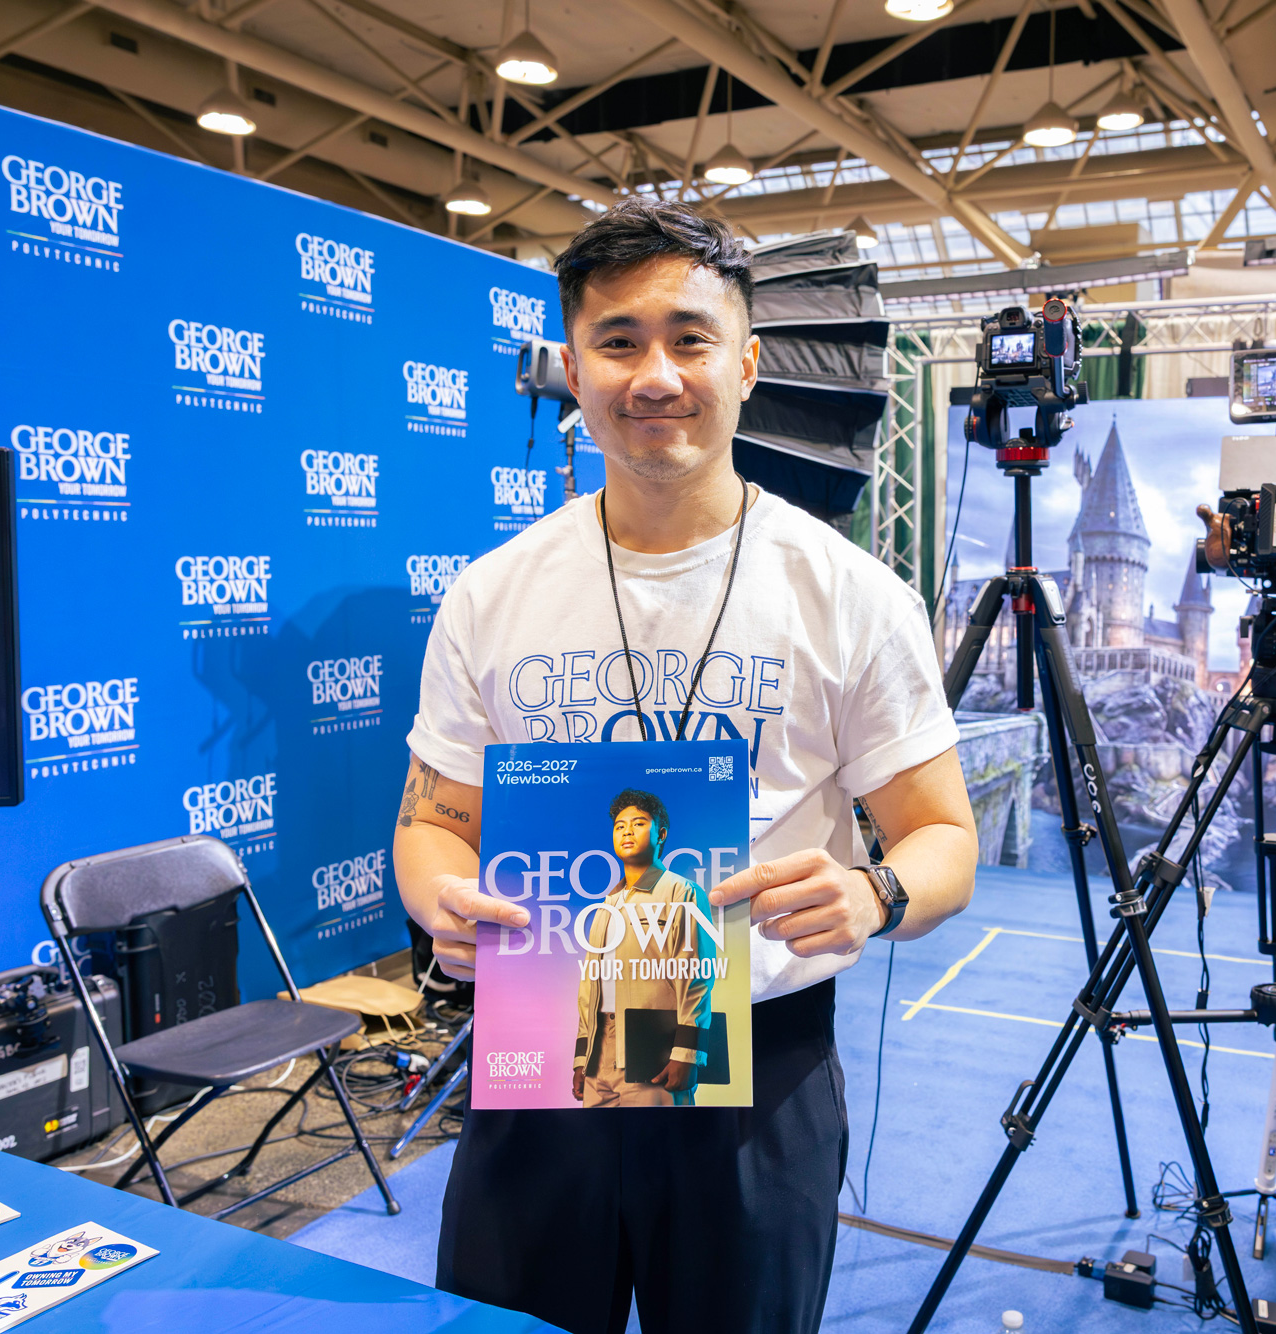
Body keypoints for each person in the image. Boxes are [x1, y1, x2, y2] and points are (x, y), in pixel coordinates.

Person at [392, 198, 978, 1334]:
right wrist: (434, 894)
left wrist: (874, 890)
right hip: (541, 1059)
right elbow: (430, 819)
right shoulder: (492, 591)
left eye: (688, 338)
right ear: (571, 366)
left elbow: (941, 834)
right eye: (618, 341)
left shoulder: (847, 592)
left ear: (747, 363)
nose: (654, 373)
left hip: (757, 1077)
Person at [573, 789, 714, 1108]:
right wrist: (582, 1058)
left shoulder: (681, 892)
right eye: (620, 825)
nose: (626, 831)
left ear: (661, 833)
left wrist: (686, 1054)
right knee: (600, 1153)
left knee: (659, 1153)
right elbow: (589, 986)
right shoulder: (606, 905)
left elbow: (696, 976)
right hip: (600, 1052)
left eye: (638, 823)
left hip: (653, 1052)